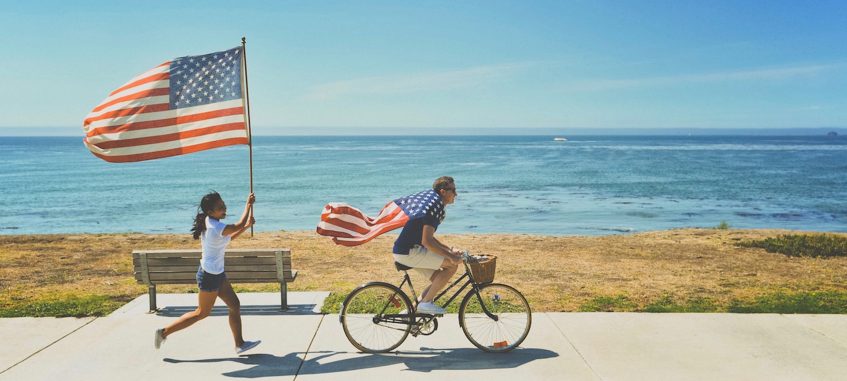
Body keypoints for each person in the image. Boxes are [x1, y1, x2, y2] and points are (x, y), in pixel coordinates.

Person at [154, 191, 260, 354]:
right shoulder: (214, 226)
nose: (224, 208)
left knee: (234, 305)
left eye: (223, 205)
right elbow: (237, 225)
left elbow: (229, 238)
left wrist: (246, 227)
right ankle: (163, 332)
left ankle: (239, 344)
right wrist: (248, 205)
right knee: (201, 313)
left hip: (217, 274)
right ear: (210, 212)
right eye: (220, 207)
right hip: (209, 276)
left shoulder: (211, 221)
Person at [392, 176, 463, 315]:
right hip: (409, 252)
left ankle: (411, 313)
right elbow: (427, 242)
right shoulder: (432, 208)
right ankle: (425, 304)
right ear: (443, 191)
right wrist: (451, 257)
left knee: (438, 279)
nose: (456, 193)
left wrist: (449, 250)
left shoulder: (433, 204)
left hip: (408, 250)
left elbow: (429, 239)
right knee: (452, 265)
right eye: (453, 190)